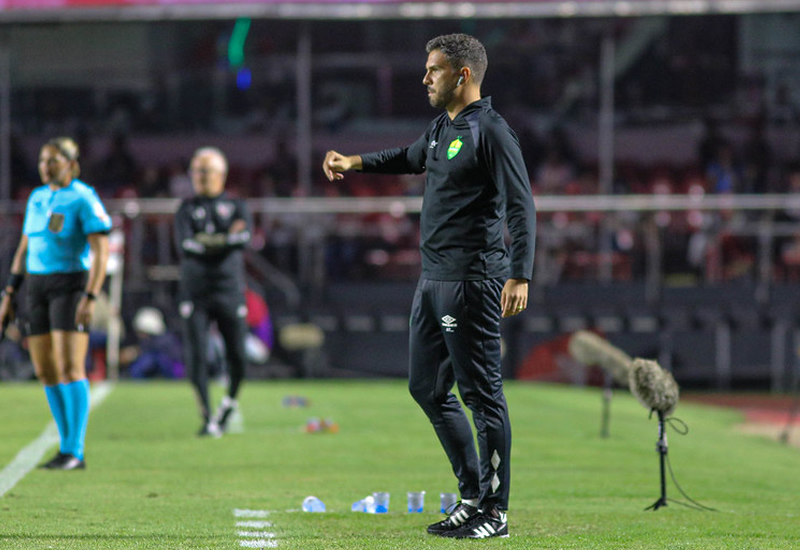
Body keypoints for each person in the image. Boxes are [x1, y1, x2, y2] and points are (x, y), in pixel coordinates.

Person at [323, 33, 536, 539]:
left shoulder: (493, 132)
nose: (425, 78)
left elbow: (520, 206)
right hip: (433, 279)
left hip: (472, 280)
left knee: (481, 396)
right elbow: (410, 156)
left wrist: (520, 273)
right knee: (426, 387)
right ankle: (471, 495)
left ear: (463, 75)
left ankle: (496, 512)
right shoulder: (444, 127)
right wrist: (355, 163)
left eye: (434, 70)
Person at [0, 137, 111, 470]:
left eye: (52, 161)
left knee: (69, 367)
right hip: (36, 286)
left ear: (71, 164)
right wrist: (8, 294)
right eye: (42, 161)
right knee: (45, 370)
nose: (45, 167)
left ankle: (75, 450)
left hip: (70, 285)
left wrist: (91, 296)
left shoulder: (83, 198)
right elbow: (24, 248)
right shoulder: (36, 198)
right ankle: (66, 446)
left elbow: (101, 252)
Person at [174, 147, 252, 437]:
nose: (198, 177)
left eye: (204, 171)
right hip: (195, 291)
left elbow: (243, 239)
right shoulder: (184, 208)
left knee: (239, 356)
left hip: (229, 289)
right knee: (195, 355)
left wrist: (206, 241)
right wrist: (224, 239)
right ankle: (207, 416)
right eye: (195, 171)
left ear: (221, 174)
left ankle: (228, 404)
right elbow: (185, 245)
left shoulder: (238, 206)